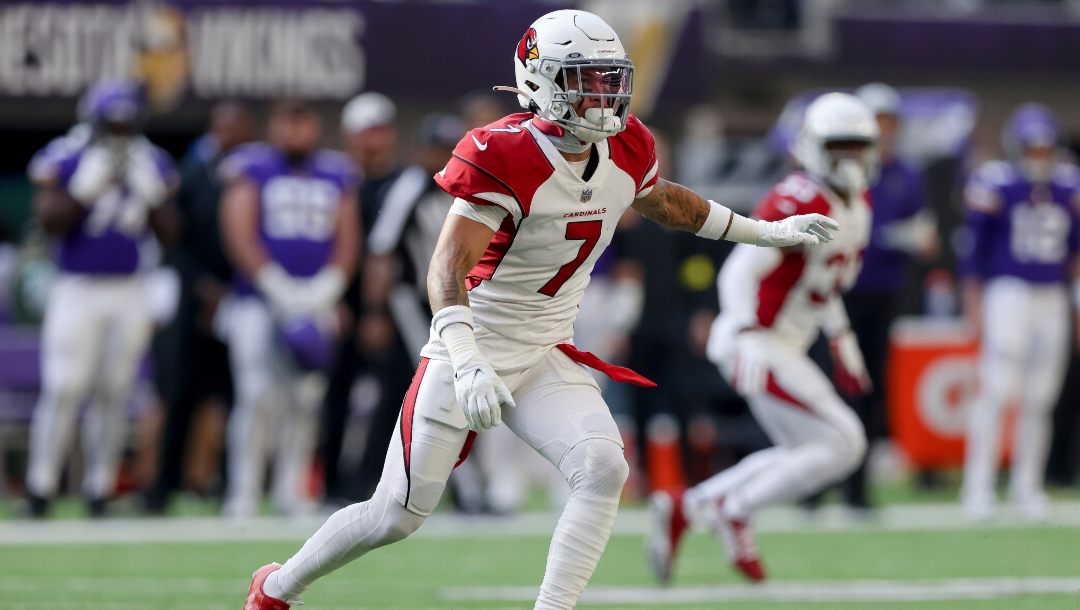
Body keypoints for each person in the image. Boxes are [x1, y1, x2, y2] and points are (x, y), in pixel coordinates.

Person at [243, 10, 837, 609]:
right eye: (585, 79)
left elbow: (665, 202)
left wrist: (765, 233)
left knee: (604, 467)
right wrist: (468, 359)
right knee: (396, 515)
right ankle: (274, 589)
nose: (603, 95)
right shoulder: (502, 151)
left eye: (611, 79)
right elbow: (446, 269)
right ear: (541, 81)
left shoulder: (628, 144)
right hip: (472, 346)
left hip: (545, 351)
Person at [647, 93, 878, 584]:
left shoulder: (857, 202)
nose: (849, 160)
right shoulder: (800, 197)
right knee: (845, 442)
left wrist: (842, 336)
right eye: (839, 148)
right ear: (814, 148)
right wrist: (750, 332)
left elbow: (823, 283)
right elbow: (739, 271)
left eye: (857, 148)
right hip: (755, 340)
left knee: (807, 448)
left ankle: (687, 507)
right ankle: (734, 509)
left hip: (783, 342)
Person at [24, 80, 179, 517]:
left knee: (115, 390)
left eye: (125, 123)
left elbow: (170, 234)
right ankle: (40, 486)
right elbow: (49, 221)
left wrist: (150, 195)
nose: (118, 131)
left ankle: (99, 487)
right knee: (64, 386)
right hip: (76, 286)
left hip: (129, 287)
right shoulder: (68, 155)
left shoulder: (150, 160)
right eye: (111, 122)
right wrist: (82, 190)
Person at [218, 100, 361, 518]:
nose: (295, 130)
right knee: (256, 396)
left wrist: (329, 286)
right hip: (258, 300)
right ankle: (242, 491)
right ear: (274, 124)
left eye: (303, 120)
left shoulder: (336, 171)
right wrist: (274, 284)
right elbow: (237, 228)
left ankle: (292, 490)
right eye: (287, 120)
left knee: (305, 401)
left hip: (316, 297)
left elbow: (347, 235)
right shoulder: (251, 166)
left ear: (314, 125)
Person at [802, 83, 939, 511]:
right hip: (831, 293)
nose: (883, 129)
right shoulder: (829, 169)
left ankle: (855, 487)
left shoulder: (907, 175)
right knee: (820, 385)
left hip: (880, 291)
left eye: (888, 121)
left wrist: (915, 239)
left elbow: (924, 235)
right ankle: (811, 485)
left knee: (866, 388)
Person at [960, 103, 1080, 521]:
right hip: (1007, 292)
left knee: (1040, 399)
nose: (1039, 157)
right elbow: (972, 254)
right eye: (1032, 148)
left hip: (1052, 296)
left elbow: (1076, 255)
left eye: (1045, 149)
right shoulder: (996, 183)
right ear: (1016, 148)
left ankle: (1028, 486)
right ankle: (978, 485)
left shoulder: (1068, 185)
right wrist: (973, 306)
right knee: (997, 390)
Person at [145, 101, 255, 514]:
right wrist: (204, 289)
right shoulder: (193, 176)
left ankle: (227, 484)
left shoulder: (254, 177)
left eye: (237, 128)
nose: (229, 136)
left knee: (236, 396)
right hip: (193, 299)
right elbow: (173, 240)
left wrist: (234, 288)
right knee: (177, 394)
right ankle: (161, 487)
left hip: (242, 296)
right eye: (223, 128)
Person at [322, 91, 403, 503]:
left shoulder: (401, 181)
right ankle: (330, 482)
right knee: (334, 392)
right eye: (365, 133)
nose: (373, 141)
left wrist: (378, 309)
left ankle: (372, 481)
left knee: (394, 394)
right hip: (337, 297)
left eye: (380, 132)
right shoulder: (334, 180)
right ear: (348, 137)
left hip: (391, 306)